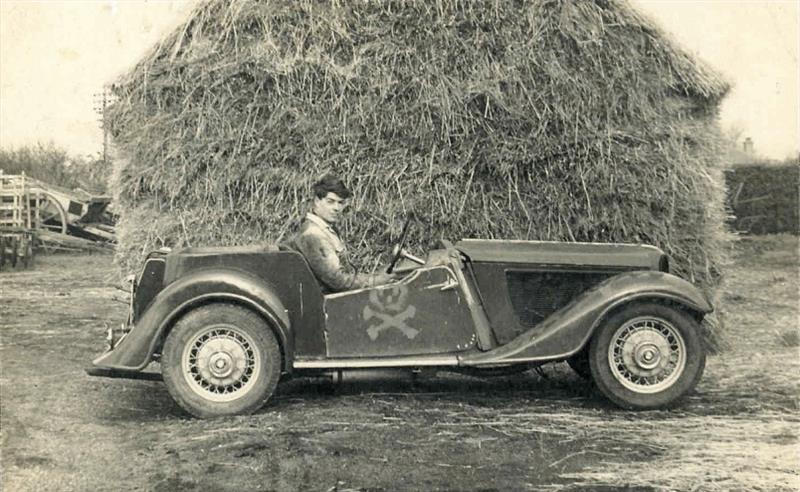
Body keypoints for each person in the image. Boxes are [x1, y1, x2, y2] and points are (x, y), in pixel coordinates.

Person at [290, 174, 395, 293]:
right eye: (330, 202)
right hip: (330, 302)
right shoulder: (313, 235)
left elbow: (345, 273)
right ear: (317, 201)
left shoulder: (325, 229)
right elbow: (338, 281)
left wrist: (376, 275)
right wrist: (375, 281)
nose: (337, 208)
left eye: (340, 203)